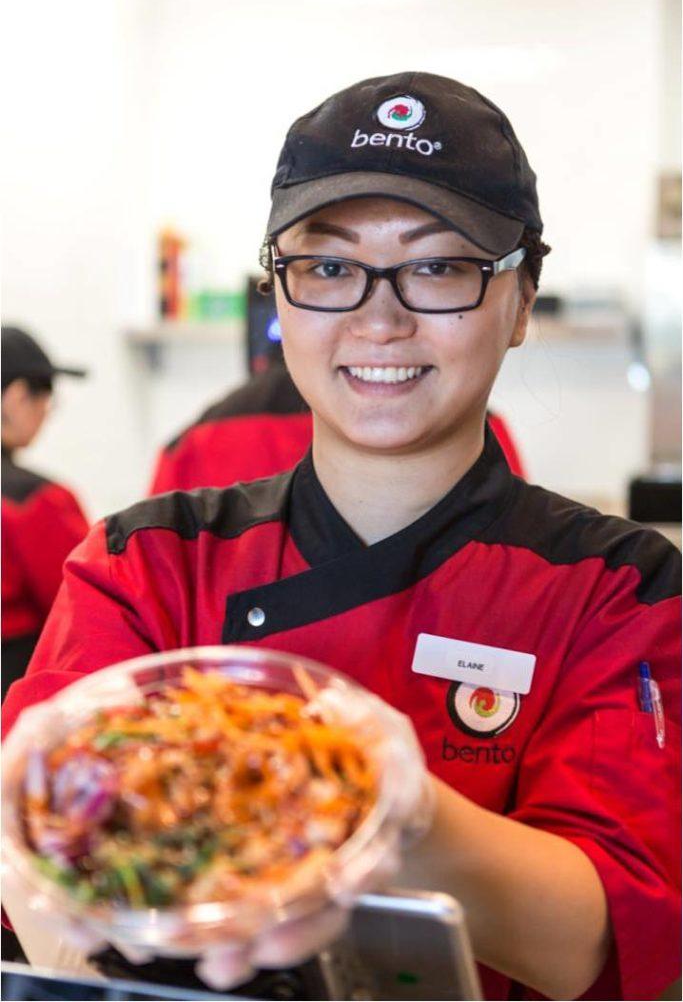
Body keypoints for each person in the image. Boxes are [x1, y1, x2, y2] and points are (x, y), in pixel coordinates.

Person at [3, 73, 680, 1001]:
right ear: (279, 296)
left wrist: (406, 820)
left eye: (439, 266)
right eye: (327, 267)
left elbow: (598, 942)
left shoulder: (616, 586)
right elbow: (35, 851)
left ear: (521, 301)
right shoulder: (145, 560)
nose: (377, 315)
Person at [148, 348, 527, 493]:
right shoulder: (484, 429)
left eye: (435, 269)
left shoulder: (196, 437)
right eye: (330, 270)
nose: (380, 325)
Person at [1, 326, 89, 698]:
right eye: (46, 400)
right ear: (19, 396)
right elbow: (81, 607)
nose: (45, 415)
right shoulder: (35, 501)